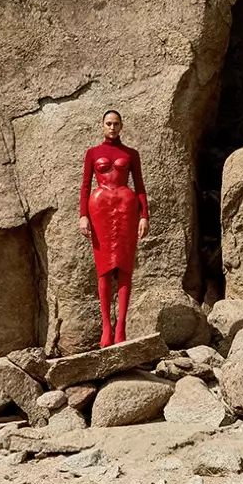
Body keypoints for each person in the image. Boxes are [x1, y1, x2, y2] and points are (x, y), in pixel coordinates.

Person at [79, 110, 149, 346]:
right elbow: (85, 186)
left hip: (126, 209)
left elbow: (139, 186)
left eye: (116, 124)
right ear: (102, 126)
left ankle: (121, 328)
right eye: (108, 123)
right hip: (99, 210)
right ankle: (106, 328)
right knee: (104, 269)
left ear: (122, 126)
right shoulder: (92, 153)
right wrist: (83, 216)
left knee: (125, 266)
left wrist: (144, 216)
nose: (112, 127)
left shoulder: (131, 154)